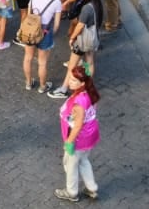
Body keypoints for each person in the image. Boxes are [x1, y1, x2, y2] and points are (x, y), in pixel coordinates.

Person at [55, 65, 101, 201]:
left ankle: (71, 192)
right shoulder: (89, 93)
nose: (70, 82)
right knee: (83, 161)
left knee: (71, 165)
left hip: (78, 140)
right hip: (90, 136)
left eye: (74, 81)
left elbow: (78, 125)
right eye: (70, 78)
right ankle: (92, 188)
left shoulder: (79, 102)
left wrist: (69, 141)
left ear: (82, 83)